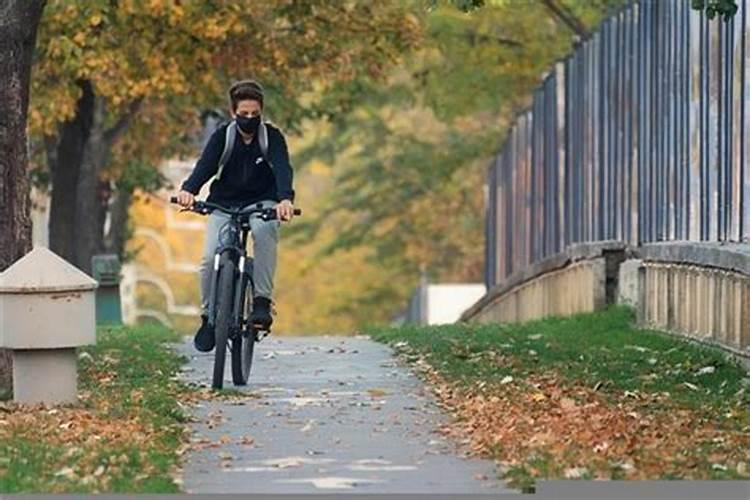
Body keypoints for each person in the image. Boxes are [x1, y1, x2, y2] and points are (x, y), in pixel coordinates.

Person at [175, 80, 295, 352]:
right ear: (233, 112)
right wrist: (188, 190)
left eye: (255, 114)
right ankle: (208, 318)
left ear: (261, 111)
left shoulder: (271, 137)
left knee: (264, 232)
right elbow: (205, 167)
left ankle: (262, 303)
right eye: (244, 114)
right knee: (208, 259)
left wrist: (285, 198)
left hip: (261, 202)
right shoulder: (223, 136)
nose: (250, 119)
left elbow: (282, 168)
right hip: (224, 202)